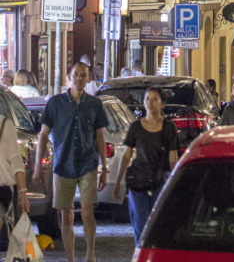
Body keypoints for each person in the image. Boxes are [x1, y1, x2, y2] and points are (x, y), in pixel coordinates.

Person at [35, 62, 109, 262]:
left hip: (87, 164)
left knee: (87, 212)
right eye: (75, 74)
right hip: (62, 165)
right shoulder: (55, 103)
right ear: (69, 77)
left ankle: (90, 254)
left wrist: (104, 167)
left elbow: (99, 136)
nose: (79, 78)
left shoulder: (94, 104)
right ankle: (71, 258)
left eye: (83, 75)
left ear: (88, 78)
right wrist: (37, 165)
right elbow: (43, 134)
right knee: (66, 215)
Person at [114, 86, 179, 244]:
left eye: (155, 99)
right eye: (147, 99)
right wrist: (118, 181)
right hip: (139, 182)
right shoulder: (136, 127)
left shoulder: (169, 128)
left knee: (158, 225)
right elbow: (127, 155)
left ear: (162, 104)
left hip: (160, 182)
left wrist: (174, 183)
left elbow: (173, 158)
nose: (150, 102)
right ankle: (141, 252)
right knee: (140, 225)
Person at [0, 111, 30, 223]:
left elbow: (16, 162)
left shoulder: (4, 124)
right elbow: (16, 163)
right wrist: (23, 194)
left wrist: (23, 194)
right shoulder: (4, 124)